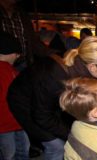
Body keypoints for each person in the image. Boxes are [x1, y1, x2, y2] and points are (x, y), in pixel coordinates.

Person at [7, 36, 97, 160]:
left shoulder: (80, 72)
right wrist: (74, 134)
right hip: (24, 102)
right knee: (57, 147)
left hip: (47, 104)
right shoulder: (56, 77)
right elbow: (42, 116)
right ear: (92, 67)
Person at [0, 32, 30, 160]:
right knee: (14, 153)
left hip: (13, 123)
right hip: (8, 123)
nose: (18, 57)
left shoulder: (12, 70)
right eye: (17, 54)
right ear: (11, 52)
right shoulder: (10, 71)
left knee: (14, 153)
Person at [0, 0, 53, 71]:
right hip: (3, 66)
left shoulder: (22, 14)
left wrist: (52, 54)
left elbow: (33, 41)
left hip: (22, 64)